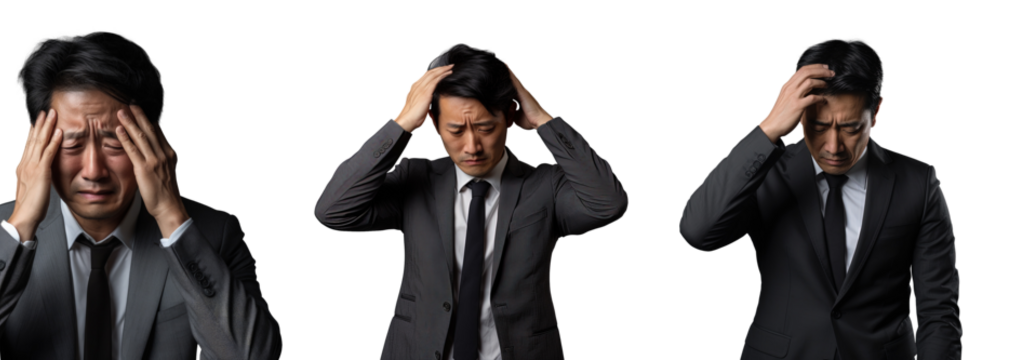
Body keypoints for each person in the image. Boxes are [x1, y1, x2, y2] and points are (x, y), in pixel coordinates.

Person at [0, 28, 283, 360]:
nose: (94, 170)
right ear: (36, 148)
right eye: (72, 143)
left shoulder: (215, 233)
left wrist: (172, 218)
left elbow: (253, 356)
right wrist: (21, 224)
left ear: (153, 143)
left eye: (115, 142)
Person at [312, 42, 630, 360]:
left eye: (485, 128)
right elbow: (333, 210)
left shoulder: (545, 185)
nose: (472, 146)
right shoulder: (415, 178)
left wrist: (543, 119)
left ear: (509, 118)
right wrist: (402, 123)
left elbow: (609, 203)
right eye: (455, 130)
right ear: (434, 125)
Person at [678, 35, 963, 360]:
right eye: (818, 125)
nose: (833, 146)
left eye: (851, 128)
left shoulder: (919, 182)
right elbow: (697, 231)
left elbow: (939, 310)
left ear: (877, 111)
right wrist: (769, 127)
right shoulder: (765, 173)